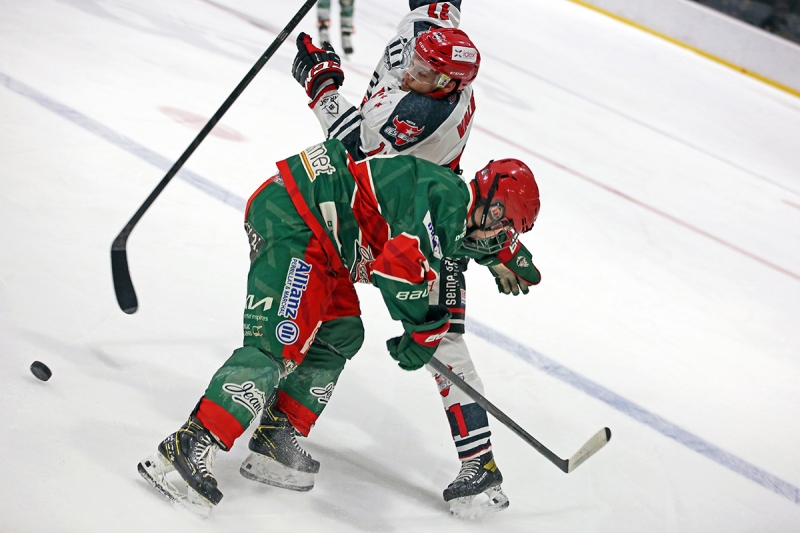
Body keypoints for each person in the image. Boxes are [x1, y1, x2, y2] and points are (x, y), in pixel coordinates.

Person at [137, 139, 542, 517]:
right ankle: (190, 444)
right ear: (490, 211)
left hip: (324, 243)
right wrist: (423, 329)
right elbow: (396, 270)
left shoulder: (458, 208)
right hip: (296, 219)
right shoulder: (441, 205)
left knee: (340, 332)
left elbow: (462, 240)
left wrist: (506, 255)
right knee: (280, 341)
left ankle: (277, 437)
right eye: (504, 230)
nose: (502, 239)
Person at [262, 0, 539, 514]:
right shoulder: (428, 34)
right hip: (389, 213)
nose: (413, 73)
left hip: (416, 222)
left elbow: (357, 148)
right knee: (330, 315)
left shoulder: (429, 105)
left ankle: (478, 469)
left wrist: (321, 86)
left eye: (425, 73)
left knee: (438, 339)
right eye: (415, 63)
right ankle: (278, 424)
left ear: (447, 81)